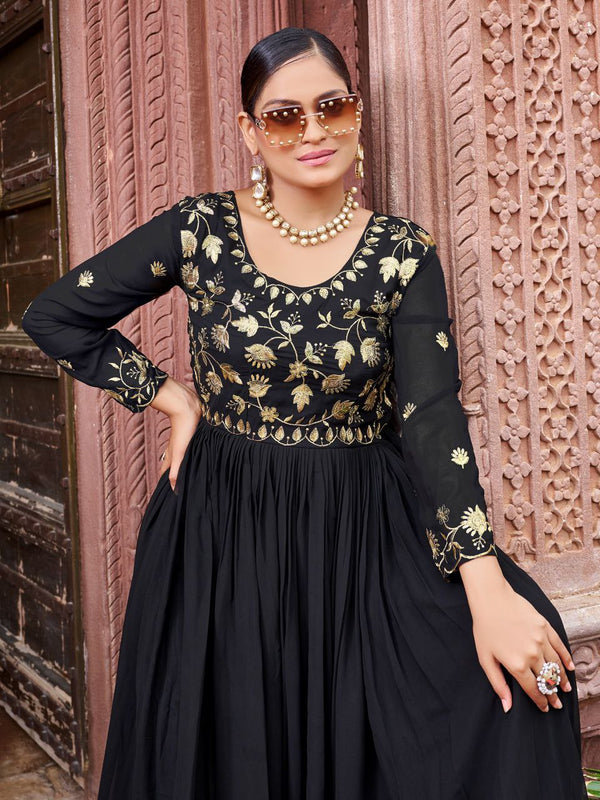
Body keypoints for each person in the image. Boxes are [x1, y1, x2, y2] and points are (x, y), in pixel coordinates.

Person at [21, 25, 588, 800]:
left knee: (519, 678)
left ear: (356, 113)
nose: (313, 131)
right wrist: (171, 398)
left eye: (332, 107)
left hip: (362, 530)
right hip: (222, 531)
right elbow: (56, 315)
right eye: (284, 116)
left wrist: (487, 588)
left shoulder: (401, 252)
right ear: (250, 132)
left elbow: (431, 416)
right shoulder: (201, 231)